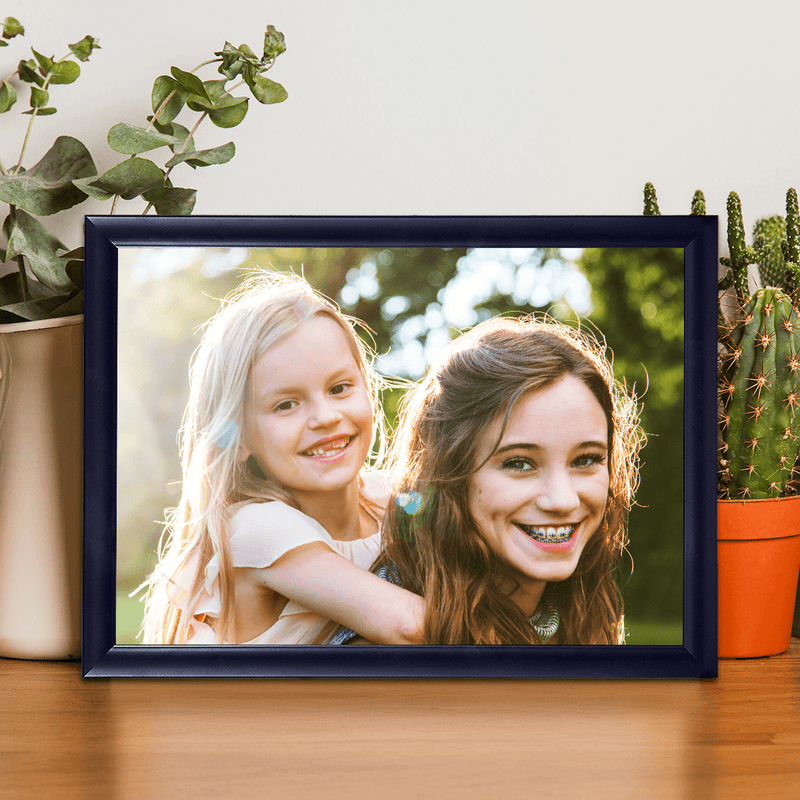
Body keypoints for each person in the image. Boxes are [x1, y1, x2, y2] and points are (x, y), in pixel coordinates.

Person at [140, 271, 423, 645]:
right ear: (239, 438)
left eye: (339, 388)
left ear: (367, 390)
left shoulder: (390, 498)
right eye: (286, 404)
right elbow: (410, 626)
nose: (325, 417)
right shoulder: (257, 528)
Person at [333, 315, 643, 645]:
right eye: (520, 463)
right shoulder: (384, 644)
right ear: (449, 475)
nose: (564, 500)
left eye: (586, 460)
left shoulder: (578, 605)